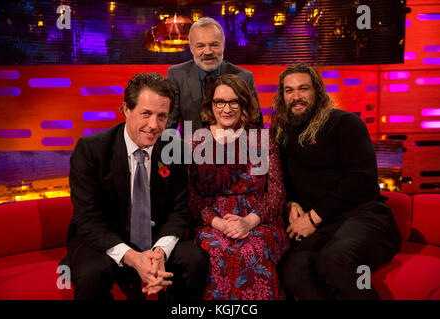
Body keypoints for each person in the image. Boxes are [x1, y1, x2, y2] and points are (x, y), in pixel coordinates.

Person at [64, 72, 208, 300]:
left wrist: (160, 252)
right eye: (146, 114)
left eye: (162, 116)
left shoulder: (175, 149)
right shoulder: (91, 149)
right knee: (92, 275)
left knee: (195, 260)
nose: (154, 125)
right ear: (126, 110)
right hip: (104, 238)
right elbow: (87, 219)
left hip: (156, 237)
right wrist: (133, 258)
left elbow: (180, 211)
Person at [270, 63, 401, 300]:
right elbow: (279, 180)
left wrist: (312, 217)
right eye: (289, 91)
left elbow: (361, 179)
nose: (296, 97)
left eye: (303, 89)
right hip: (324, 226)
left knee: (334, 259)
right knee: (293, 271)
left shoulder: (345, 123)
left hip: (365, 217)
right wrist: (289, 202)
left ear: (318, 91)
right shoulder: (280, 133)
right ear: (282, 96)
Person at [187, 74, 289, 300]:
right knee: (217, 248)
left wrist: (249, 221)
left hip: (259, 219)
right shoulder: (193, 141)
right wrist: (220, 223)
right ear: (210, 105)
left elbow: (276, 192)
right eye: (219, 102)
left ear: (244, 103)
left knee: (254, 246)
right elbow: (193, 196)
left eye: (234, 101)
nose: (227, 108)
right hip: (212, 220)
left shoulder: (262, 139)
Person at [166, 17, 263, 133]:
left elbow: (256, 127)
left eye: (214, 45)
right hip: (190, 149)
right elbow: (168, 127)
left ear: (223, 45)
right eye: (200, 46)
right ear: (191, 48)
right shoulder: (177, 75)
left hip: (234, 148)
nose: (208, 52)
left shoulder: (244, 77)